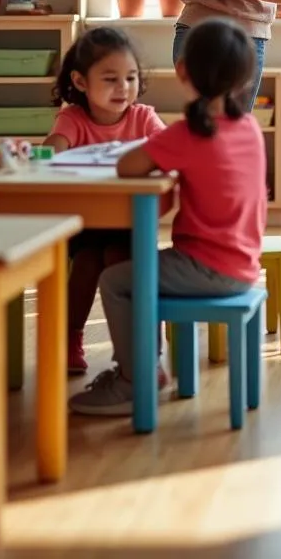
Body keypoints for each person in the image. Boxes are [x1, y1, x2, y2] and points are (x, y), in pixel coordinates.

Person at [69, 18, 267, 416]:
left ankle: (132, 378)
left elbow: (128, 167)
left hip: (205, 266)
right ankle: (142, 367)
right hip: (243, 263)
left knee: (115, 279)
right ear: (247, 76)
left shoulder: (189, 133)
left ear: (183, 71)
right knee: (129, 269)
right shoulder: (248, 126)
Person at [43, 27, 164, 375]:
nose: (123, 88)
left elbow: (168, 148)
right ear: (80, 82)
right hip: (84, 223)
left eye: (130, 77)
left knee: (119, 259)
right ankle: (69, 337)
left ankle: (137, 348)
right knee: (87, 262)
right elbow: (53, 151)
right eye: (110, 79)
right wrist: (36, 151)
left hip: (132, 221)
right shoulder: (73, 118)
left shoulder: (143, 117)